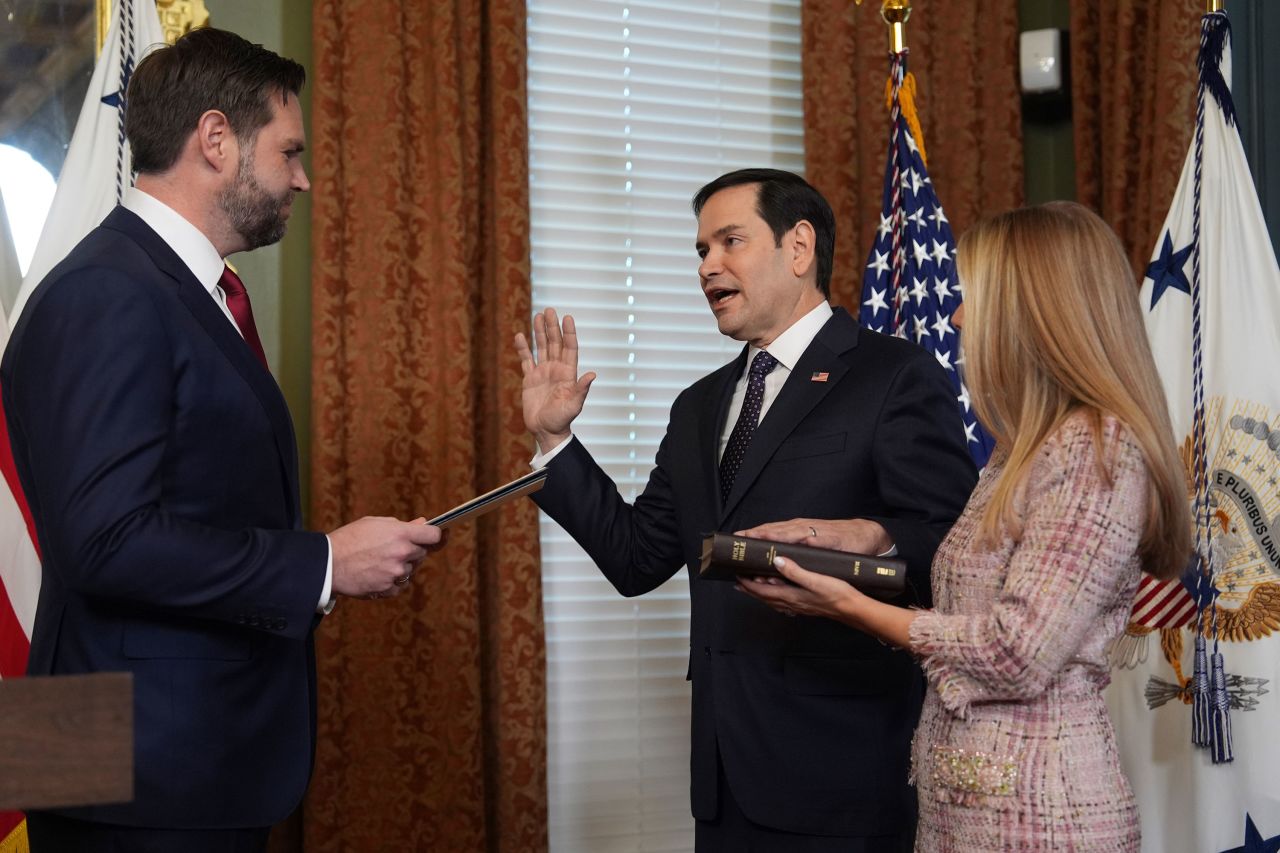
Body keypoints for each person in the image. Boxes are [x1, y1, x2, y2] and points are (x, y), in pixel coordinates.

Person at [2, 28, 441, 851]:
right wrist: (324, 563)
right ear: (215, 139)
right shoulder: (107, 290)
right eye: (289, 152)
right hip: (131, 774)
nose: (303, 179)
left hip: (169, 759)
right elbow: (103, 540)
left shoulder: (183, 289)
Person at [516, 168, 978, 850]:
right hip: (724, 784)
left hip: (846, 777)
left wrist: (869, 539)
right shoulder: (699, 404)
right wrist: (555, 440)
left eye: (729, 241)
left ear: (799, 248)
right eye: (700, 250)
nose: (708, 266)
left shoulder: (893, 375)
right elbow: (637, 556)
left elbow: (953, 549)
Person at [740, 201, 1193, 852]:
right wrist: (860, 541)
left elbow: (1017, 651)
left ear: (1034, 310)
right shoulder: (1021, 449)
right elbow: (969, 607)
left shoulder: (1097, 450)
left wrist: (851, 606)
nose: (955, 315)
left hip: (1044, 817)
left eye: (973, 295)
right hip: (965, 811)